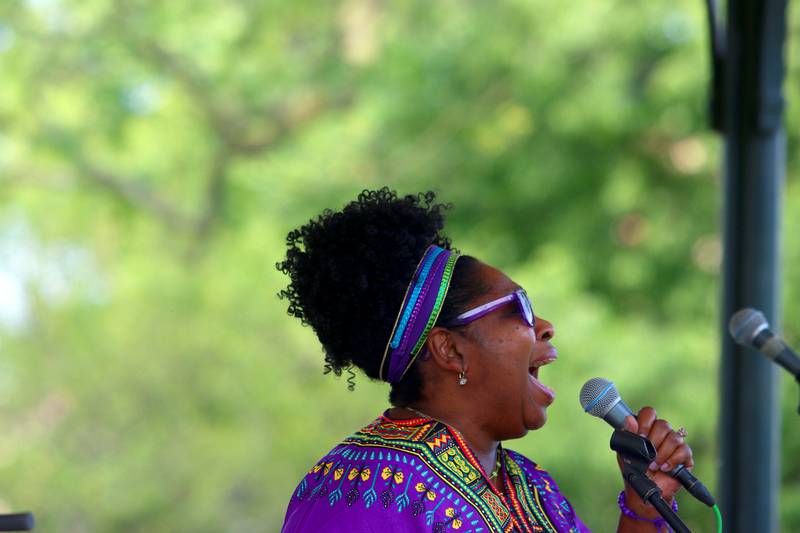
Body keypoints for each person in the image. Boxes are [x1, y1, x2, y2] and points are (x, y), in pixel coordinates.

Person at [277, 188, 693, 532]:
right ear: (451, 350)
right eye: (520, 308)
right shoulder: (356, 496)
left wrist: (644, 507)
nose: (545, 326)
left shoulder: (532, 489)